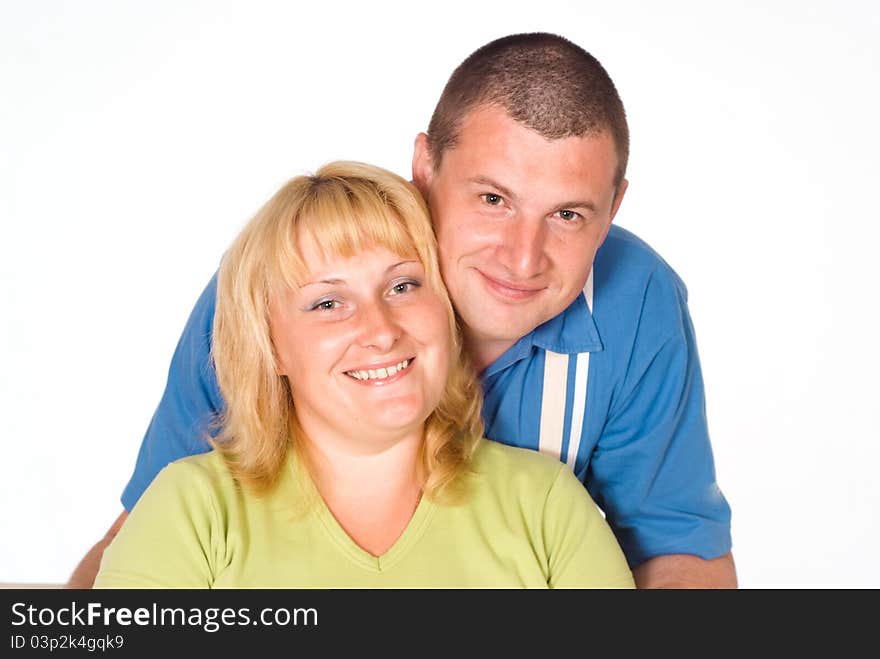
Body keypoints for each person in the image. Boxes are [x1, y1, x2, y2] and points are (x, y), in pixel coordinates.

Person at [72, 32, 735, 589]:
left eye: (566, 214)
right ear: (424, 167)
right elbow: (147, 536)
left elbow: (680, 551)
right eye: (493, 199)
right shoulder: (275, 285)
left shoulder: (634, 307)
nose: (522, 258)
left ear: (613, 208)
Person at [92, 162, 635, 588]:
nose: (380, 330)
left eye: (403, 287)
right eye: (328, 303)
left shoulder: (548, 508)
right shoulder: (193, 511)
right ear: (270, 344)